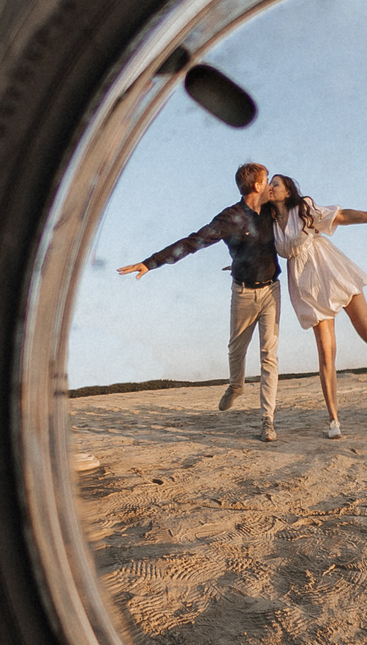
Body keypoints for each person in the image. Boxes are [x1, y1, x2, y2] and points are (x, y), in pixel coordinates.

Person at [118, 161, 286, 441]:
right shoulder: (230, 218)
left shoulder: (272, 210)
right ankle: (235, 387)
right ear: (257, 186)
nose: (271, 186)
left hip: (271, 291)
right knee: (236, 350)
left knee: (269, 356)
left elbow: (300, 210)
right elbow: (192, 242)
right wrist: (151, 263)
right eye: (267, 181)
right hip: (243, 294)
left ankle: (267, 420)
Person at [270, 174, 367, 439]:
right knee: (326, 353)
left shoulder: (303, 208)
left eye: (276, 184)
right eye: (269, 184)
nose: (270, 188)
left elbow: (342, 216)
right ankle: (333, 420)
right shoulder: (268, 223)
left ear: (287, 192)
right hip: (306, 286)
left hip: (329, 270)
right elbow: (255, 249)